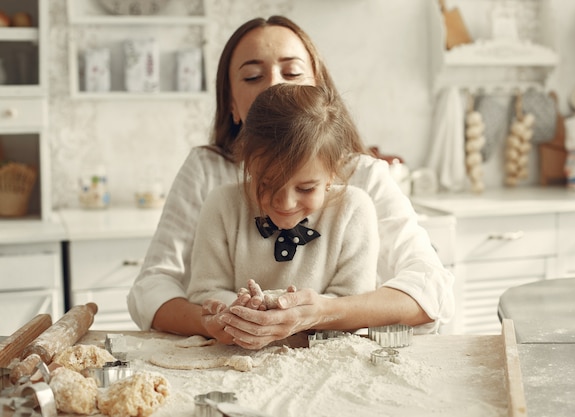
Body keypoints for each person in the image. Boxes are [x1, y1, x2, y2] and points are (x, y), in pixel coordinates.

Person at [127, 15, 455, 349]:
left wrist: (323, 313)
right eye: (253, 75)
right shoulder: (207, 173)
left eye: (293, 73)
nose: (274, 86)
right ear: (231, 105)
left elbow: (432, 289)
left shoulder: (363, 179)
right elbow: (153, 286)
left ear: (318, 91)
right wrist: (220, 320)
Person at [187, 83, 379, 314]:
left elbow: (353, 302)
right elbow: (204, 292)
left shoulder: (353, 210)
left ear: (331, 173)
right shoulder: (222, 205)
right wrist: (246, 309)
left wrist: (296, 314)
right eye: (267, 184)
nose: (285, 203)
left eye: (306, 189)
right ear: (248, 166)